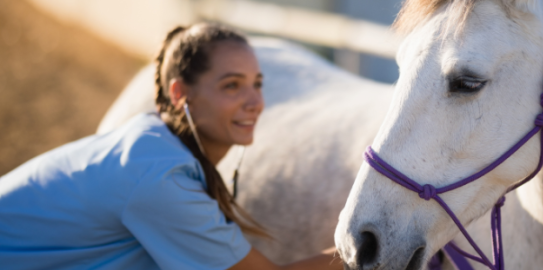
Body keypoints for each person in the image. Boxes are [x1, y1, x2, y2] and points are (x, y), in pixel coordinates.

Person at [0, 23, 341, 270]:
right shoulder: (159, 177)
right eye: (232, 86)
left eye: (257, 84)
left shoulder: (155, 145)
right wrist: (362, 249)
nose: (255, 101)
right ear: (180, 94)